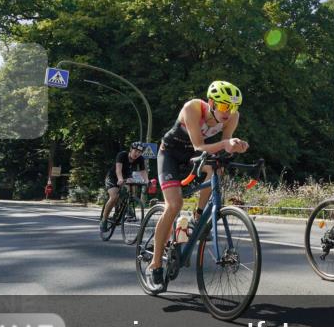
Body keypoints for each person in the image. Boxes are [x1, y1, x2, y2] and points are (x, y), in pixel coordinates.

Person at [148, 81, 248, 289]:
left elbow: (223, 148)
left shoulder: (232, 118)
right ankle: (155, 263)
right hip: (171, 154)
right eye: (223, 106)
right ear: (211, 102)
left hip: (195, 158)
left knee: (216, 169)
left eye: (233, 107)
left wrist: (236, 147)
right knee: (174, 205)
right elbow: (199, 145)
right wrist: (224, 145)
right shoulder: (193, 108)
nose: (228, 112)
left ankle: (198, 216)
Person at [101, 142, 148, 231]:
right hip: (113, 177)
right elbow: (118, 170)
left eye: (139, 152)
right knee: (114, 197)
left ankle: (127, 207)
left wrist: (147, 181)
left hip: (126, 177)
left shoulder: (140, 159)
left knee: (132, 190)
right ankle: (104, 220)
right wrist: (120, 179)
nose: (137, 154)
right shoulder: (122, 155)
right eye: (135, 151)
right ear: (131, 149)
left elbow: (143, 172)